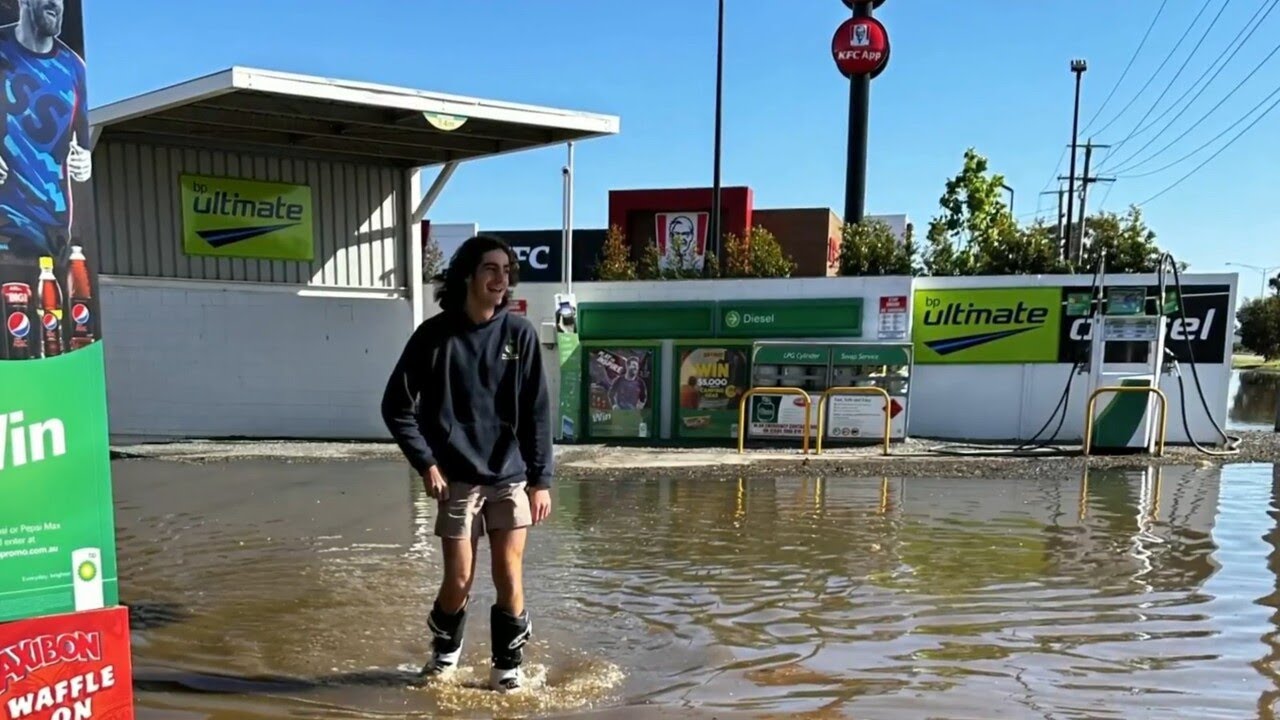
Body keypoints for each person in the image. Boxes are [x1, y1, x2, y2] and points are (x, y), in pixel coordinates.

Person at [380, 234, 553, 693]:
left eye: (506, 270)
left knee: (508, 573)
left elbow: (537, 413)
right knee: (458, 579)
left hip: (510, 476)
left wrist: (541, 480)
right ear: (468, 277)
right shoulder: (433, 336)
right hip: (457, 479)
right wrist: (427, 463)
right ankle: (444, 654)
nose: (501, 279)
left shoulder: (520, 335)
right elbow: (396, 407)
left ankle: (506, 668)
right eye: (490, 269)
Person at [0, 0, 91, 259]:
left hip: (54, 226)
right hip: (6, 218)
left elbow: (83, 143)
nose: (56, 3)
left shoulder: (74, 67)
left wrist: (85, 162)